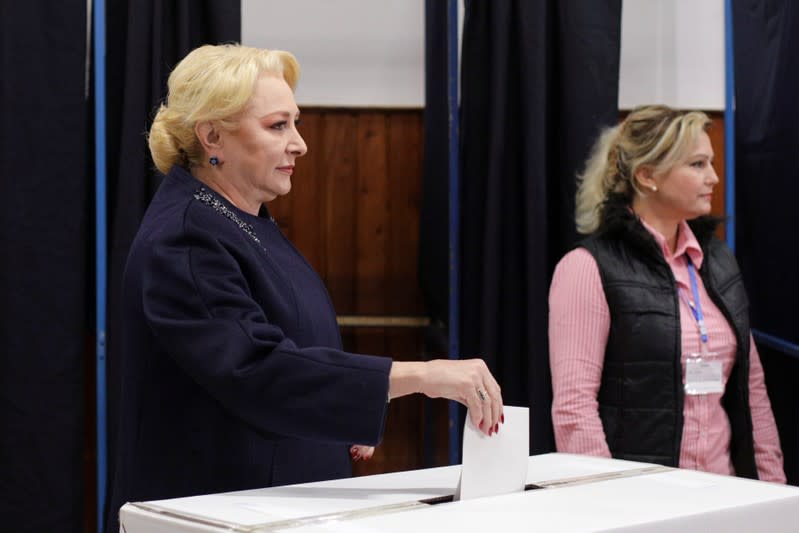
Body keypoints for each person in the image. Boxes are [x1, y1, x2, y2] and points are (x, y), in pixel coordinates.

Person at [106, 43, 504, 529]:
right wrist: (418, 377)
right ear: (212, 136)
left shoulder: (239, 219)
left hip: (268, 497)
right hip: (214, 504)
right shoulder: (187, 236)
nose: (300, 143)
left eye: (295, 122)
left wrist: (342, 414)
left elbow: (296, 339)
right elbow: (256, 369)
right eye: (278, 126)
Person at [548, 105, 785, 483]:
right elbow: (575, 411)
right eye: (696, 165)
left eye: (710, 162)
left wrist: (775, 492)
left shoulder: (719, 261)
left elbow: (751, 390)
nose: (713, 177)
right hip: (645, 503)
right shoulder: (586, 268)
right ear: (647, 176)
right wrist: (607, 504)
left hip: (726, 494)